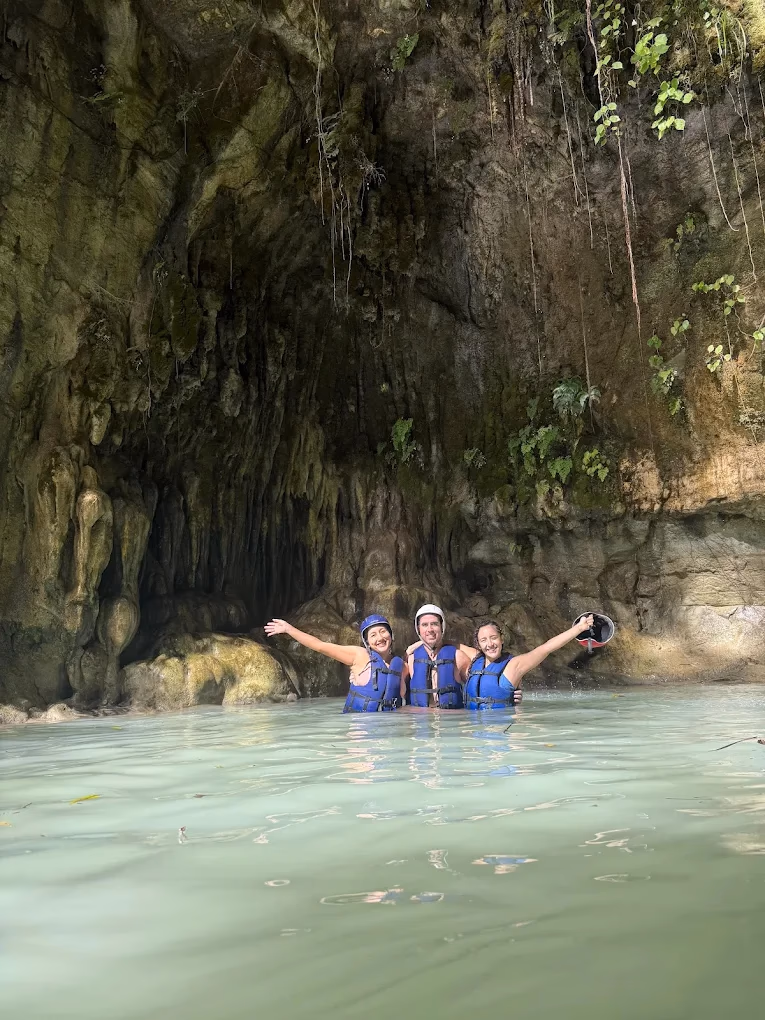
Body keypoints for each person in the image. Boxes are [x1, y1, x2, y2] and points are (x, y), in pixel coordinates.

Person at [264, 614, 406, 713]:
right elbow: (320, 646)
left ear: (391, 635)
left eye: (383, 632)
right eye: (373, 635)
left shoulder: (401, 666)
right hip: (362, 733)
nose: (380, 638)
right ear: (367, 642)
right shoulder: (360, 655)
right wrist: (289, 629)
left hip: (389, 729)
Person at [457, 615, 595, 709]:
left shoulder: (514, 665)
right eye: (484, 640)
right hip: (473, 730)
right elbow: (451, 644)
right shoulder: (476, 659)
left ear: (502, 639)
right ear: (478, 644)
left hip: (498, 731)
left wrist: (579, 628)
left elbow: (546, 648)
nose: (490, 644)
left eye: (493, 638)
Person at [405, 604, 472, 709]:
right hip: (419, 719)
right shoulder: (411, 659)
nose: (430, 629)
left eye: (434, 624)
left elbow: (477, 685)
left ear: (442, 627)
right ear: (418, 629)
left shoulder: (458, 656)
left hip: (451, 720)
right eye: (424, 625)